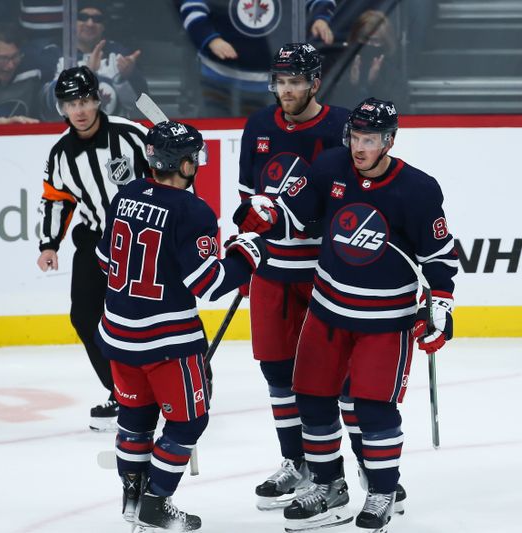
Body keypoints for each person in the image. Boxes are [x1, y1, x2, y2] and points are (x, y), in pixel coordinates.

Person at [234, 97, 458, 532]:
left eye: (370, 139)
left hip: (384, 320)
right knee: (313, 400)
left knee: (373, 408)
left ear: (389, 141)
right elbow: (297, 218)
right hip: (327, 312)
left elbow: (440, 256)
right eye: (355, 137)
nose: (360, 147)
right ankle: (328, 486)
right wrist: (265, 216)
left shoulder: (418, 188)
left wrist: (440, 305)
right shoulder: (331, 168)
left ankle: (382, 490)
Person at [95, 120, 268, 530]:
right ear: (184, 163)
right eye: (194, 158)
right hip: (167, 341)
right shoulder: (193, 210)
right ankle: (156, 503)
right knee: (190, 421)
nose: (198, 164)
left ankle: (132, 497)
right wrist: (246, 256)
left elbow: (105, 261)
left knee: (135, 418)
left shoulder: (125, 195)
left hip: (118, 334)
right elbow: (207, 284)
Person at [237, 41, 351, 511]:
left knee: (337, 379)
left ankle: (365, 467)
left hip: (325, 274)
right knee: (277, 374)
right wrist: (253, 222)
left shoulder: (342, 126)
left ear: (315, 83)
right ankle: (296, 462)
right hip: (273, 273)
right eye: (280, 82)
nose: (287, 90)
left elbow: (355, 200)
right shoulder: (259, 125)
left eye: (296, 82)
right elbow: (246, 200)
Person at [36, 65, 149, 431]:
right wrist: (49, 244)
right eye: (71, 104)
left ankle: (184, 379)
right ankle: (121, 392)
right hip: (96, 242)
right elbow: (57, 200)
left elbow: (166, 175)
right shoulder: (60, 155)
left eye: (85, 100)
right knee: (85, 317)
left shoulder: (131, 135)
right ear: (62, 109)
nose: (80, 110)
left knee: (150, 314)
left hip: (141, 241)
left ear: (98, 99)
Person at [178, 0, 336, 117]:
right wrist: (211, 40)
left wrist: (320, 19)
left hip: (271, 85)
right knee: (216, 128)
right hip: (217, 78)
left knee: (267, 136)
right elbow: (191, 8)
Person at [41, 0, 148, 120]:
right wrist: (86, 73)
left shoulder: (120, 54)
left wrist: (127, 77)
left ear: (104, 26)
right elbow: (46, 103)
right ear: (71, 23)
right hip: (67, 133)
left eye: (97, 19)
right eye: (83, 17)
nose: (90, 24)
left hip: (113, 133)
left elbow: (140, 108)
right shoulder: (53, 54)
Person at [326, 10, 404, 110]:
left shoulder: (392, 72)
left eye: (375, 41)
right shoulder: (339, 65)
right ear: (355, 38)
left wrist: (376, 83)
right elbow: (328, 103)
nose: (369, 45)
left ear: (385, 42)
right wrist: (350, 84)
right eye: (364, 39)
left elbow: (399, 108)